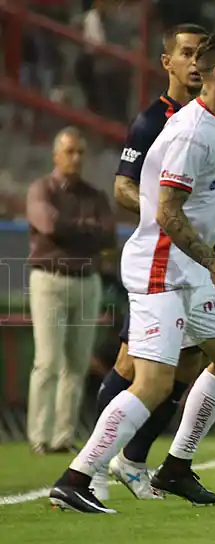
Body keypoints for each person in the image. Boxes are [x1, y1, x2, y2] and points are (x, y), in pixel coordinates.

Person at [49, 31, 215, 514]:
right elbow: (167, 211)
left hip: (188, 269)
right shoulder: (191, 132)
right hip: (162, 268)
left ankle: (175, 467)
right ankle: (75, 477)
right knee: (150, 383)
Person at [26, 127, 116, 455]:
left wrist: (71, 230)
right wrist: (85, 232)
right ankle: (39, 435)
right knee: (48, 360)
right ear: (56, 155)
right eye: (69, 152)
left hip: (87, 281)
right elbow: (49, 226)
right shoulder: (41, 189)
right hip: (49, 280)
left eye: (80, 152)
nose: (75, 158)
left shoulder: (94, 195)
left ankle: (63, 436)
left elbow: (108, 236)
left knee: (77, 363)